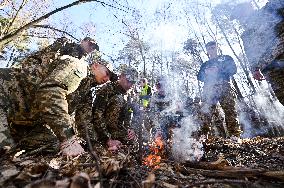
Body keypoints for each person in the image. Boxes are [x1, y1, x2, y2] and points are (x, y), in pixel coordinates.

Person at [0, 37, 113, 157]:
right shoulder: (78, 65)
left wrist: (97, 147)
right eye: (107, 73)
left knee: (52, 144)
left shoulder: (87, 91)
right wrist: (68, 138)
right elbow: (50, 91)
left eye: (110, 78)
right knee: (6, 153)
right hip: (6, 95)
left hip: (24, 117)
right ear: (95, 65)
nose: (107, 80)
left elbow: (84, 121)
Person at [197, 41, 241, 138]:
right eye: (209, 48)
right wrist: (206, 72)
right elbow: (199, 77)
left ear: (217, 48)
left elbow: (233, 69)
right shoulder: (205, 64)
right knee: (205, 112)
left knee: (230, 111)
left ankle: (235, 136)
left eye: (213, 47)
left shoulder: (226, 58)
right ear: (207, 51)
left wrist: (219, 70)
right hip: (209, 89)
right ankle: (203, 137)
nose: (211, 50)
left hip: (224, 86)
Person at [92, 66, 139, 152]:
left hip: (120, 131)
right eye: (128, 81)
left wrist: (133, 129)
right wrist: (108, 139)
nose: (130, 85)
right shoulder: (107, 89)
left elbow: (137, 113)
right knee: (118, 99)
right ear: (121, 76)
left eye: (133, 82)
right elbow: (97, 115)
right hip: (104, 132)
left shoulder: (131, 95)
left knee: (135, 147)